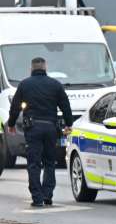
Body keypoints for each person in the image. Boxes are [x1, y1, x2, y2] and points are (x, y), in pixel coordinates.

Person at [7, 57, 73, 207]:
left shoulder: (24, 85)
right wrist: (69, 124)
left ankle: (37, 198)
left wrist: (11, 124)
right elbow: (65, 105)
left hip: (33, 129)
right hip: (51, 128)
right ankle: (48, 195)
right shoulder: (55, 85)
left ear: (31, 68)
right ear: (45, 67)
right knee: (50, 162)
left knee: (34, 164)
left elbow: (15, 107)